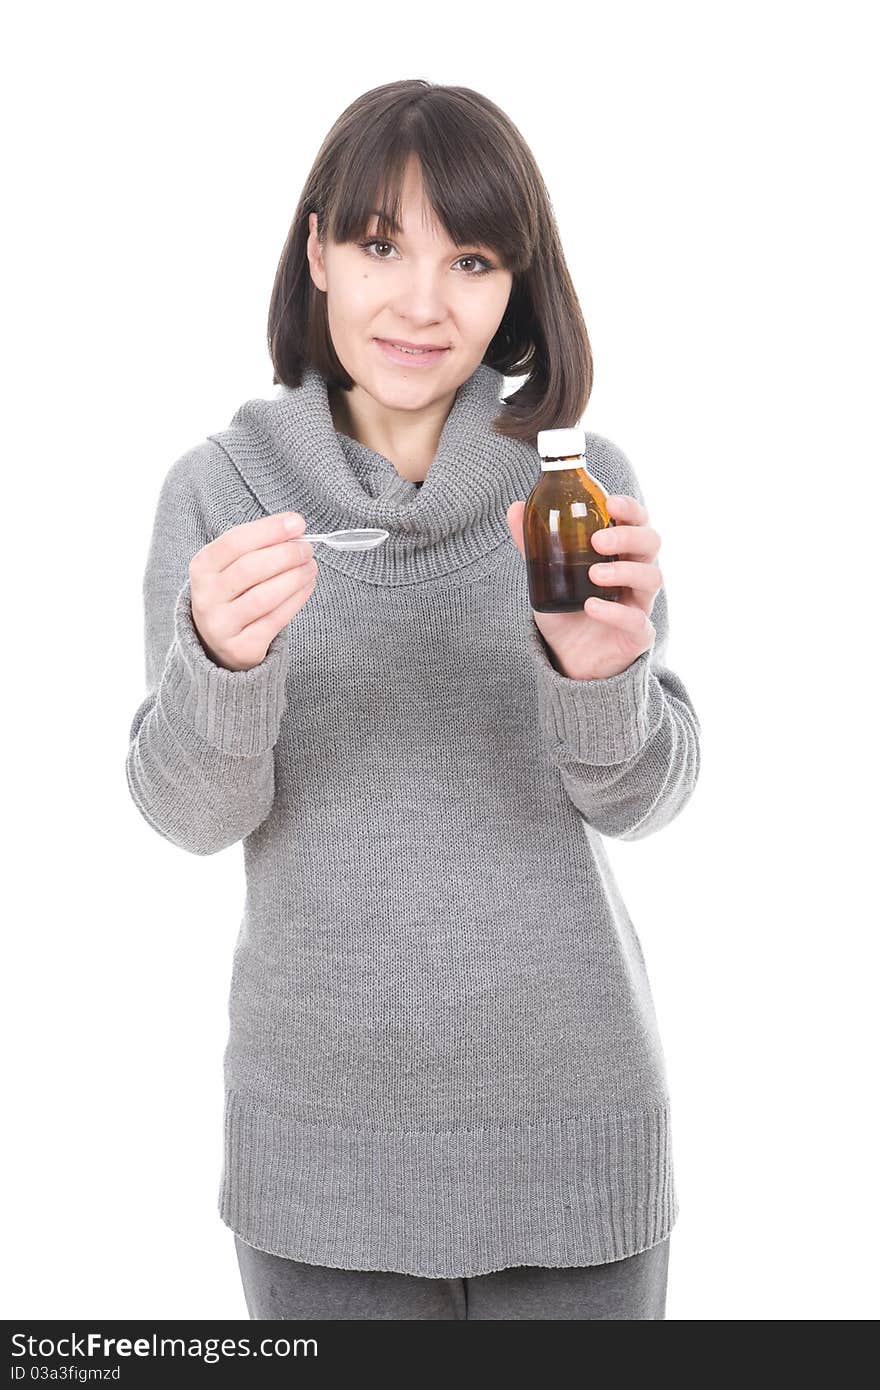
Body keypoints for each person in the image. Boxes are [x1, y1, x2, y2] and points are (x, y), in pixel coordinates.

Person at [125, 79, 701, 1321]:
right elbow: (187, 813)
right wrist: (222, 669)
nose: (422, 302)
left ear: (516, 287)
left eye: (473, 256)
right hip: (318, 1163)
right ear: (318, 249)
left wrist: (598, 672)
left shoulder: (579, 485)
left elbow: (645, 799)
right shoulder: (219, 492)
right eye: (383, 244)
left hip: (572, 1134)